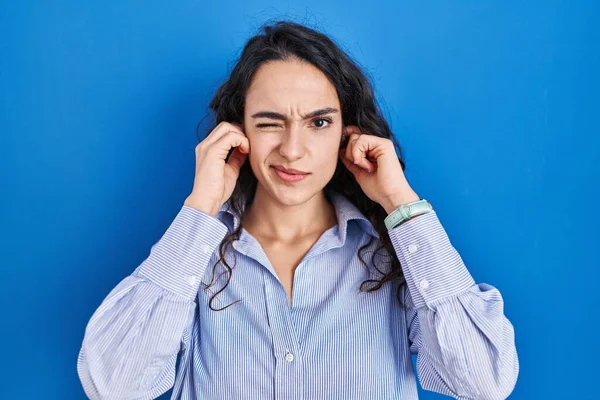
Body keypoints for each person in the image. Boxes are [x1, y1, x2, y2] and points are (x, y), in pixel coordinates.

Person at [77, 20, 519, 400]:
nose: (292, 150)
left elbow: (485, 382)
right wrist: (201, 206)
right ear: (238, 132)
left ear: (348, 133)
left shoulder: (396, 258)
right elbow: (114, 386)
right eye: (270, 123)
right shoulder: (194, 260)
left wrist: (401, 204)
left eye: (319, 122)